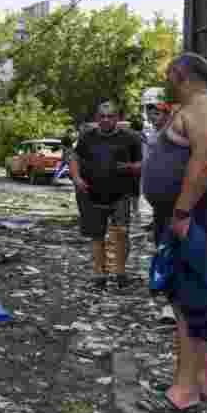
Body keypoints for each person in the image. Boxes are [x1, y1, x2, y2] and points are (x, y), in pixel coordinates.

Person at [139, 52, 207, 413]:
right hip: (192, 209)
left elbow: (206, 158)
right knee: (196, 296)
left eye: (168, 75)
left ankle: (184, 392)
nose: (167, 81)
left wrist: (181, 212)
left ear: (180, 73)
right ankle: (202, 381)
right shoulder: (196, 106)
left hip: (198, 210)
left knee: (190, 300)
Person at [69, 100, 143, 291]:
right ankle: (99, 275)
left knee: (121, 233)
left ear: (117, 118)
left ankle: (120, 272)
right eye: (102, 116)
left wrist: (130, 167)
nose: (106, 120)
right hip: (93, 194)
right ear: (96, 118)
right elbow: (75, 157)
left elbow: (143, 164)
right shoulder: (87, 137)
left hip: (122, 194)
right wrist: (76, 178)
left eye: (110, 116)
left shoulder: (131, 138)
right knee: (97, 236)